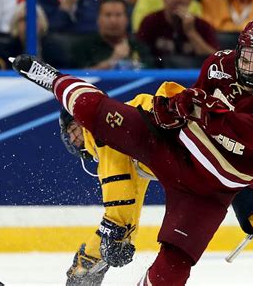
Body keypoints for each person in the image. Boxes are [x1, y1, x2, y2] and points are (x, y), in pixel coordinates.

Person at [10, 18, 253, 285]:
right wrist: (190, 108)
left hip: (232, 167)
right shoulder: (220, 64)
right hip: (181, 149)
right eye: (248, 56)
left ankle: (52, 78)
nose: (76, 137)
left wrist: (85, 269)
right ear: (238, 52)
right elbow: (206, 98)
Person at [61, 81, 184, 285]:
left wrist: (112, 239)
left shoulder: (103, 136)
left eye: (74, 128)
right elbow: (128, 207)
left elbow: (119, 211)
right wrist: (117, 238)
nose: (74, 138)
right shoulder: (127, 141)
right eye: (70, 134)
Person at [137, 0, 218, 68]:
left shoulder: (202, 25)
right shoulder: (150, 21)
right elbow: (140, 56)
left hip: (192, 76)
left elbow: (215, 60)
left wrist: (191, 32)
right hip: (158, 76)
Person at [71, 0, 152, 69]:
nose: (113, 20)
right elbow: (79, 78)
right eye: (108, 15)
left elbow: (151, 73)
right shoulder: (83, 47)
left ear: (127, 19)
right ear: (98, 19)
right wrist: (113, 61)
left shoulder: (139, 46)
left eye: (118, 15)